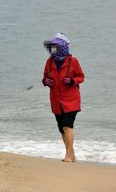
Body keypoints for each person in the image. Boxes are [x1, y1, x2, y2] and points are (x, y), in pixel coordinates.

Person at [42, 32, 84, 162]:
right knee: (61, 128)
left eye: (56, 46)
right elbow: (45, 77)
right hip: (56, 100)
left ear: (63, 47)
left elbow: (81, 77)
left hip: (71, 100)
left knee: (67, 125)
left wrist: (72, 81)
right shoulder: (49, 62)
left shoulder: (73, 61)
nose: (53, 49)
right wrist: (46, 82)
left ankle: (68, 156)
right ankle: (72, 154)